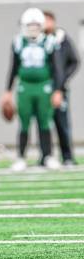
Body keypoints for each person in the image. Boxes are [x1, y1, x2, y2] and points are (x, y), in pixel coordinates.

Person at [2, 8, 63, 171]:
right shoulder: (18, 42)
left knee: (44, 122)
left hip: (44, 86)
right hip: (25, 86)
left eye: (36, 25)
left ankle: (48, 155)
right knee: (24, 123)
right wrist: (7, 91)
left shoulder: (50, 41)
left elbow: (57, 69)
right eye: (30, 25)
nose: (33, 29)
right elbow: (13, 68)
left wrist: (58, 90)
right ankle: (21, 157)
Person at [43, 10, 79, 166]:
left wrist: (62, 80)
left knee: (62, 123)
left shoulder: (61, 38)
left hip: (59, 88)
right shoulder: (39, 40)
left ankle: (67, 156)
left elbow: (74, 61)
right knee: (43, 123)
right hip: (42, 87)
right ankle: (46, 156)